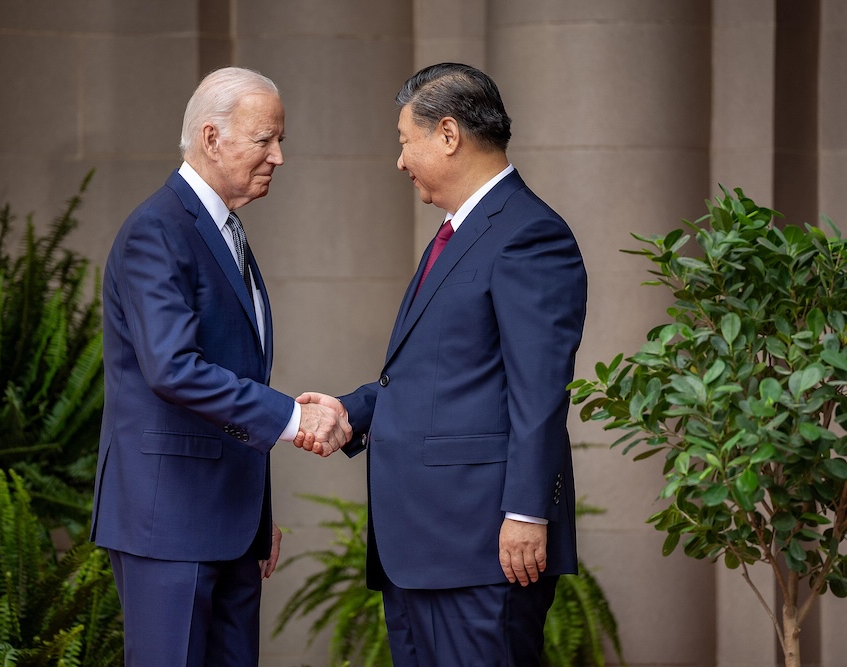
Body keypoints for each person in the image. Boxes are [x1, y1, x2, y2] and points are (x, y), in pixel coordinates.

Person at [297, 63, 587, 666]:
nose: (400, 161)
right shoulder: (455, 234)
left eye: (405, 141)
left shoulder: (529, 235)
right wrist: (350, 410)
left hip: (482, 548)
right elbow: (432, 375)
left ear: (448, 134)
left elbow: (539, 392)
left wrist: (527, 513)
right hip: (422, 551)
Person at [91, 66, 350, 667]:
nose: (279, 157)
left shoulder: (223, 230)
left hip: (229, 528)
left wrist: (255, 517)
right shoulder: (157, 230)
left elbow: (234, 374)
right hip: (170, 526)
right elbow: (174, 369)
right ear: (211, 138)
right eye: (266, 140)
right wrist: (294, 417)